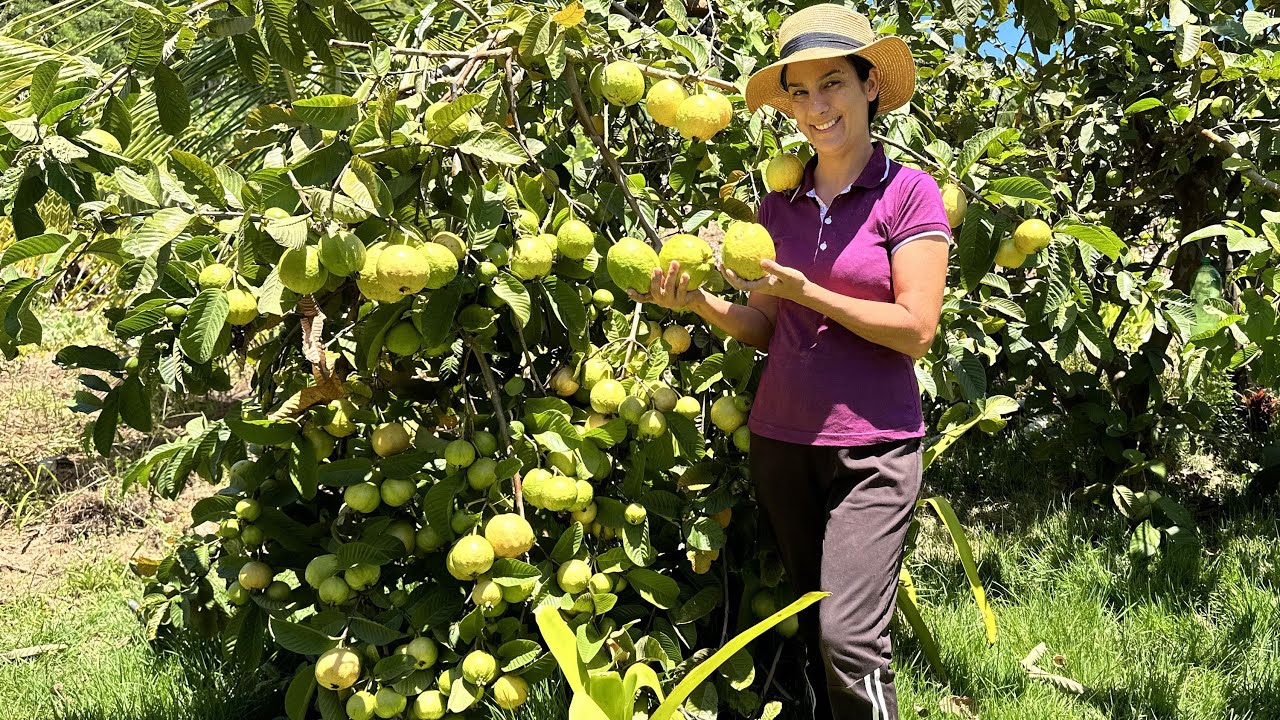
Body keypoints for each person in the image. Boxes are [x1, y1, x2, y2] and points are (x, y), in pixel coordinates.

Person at [627, 4, 951, 719]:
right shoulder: (778, 203)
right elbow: (766, 326)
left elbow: (916, 330)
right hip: (782, 441)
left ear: (871, 86)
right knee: (815, 625)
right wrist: (702, 307)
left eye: (831, 83)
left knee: (851, 640)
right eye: (798, 93)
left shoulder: (908, 193)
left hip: (874, 447)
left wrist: (814, 293)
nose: (814, 107)